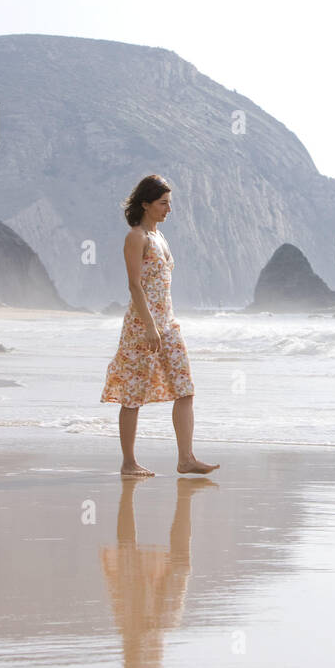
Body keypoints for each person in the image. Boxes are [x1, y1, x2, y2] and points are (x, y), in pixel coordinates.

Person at [100, 174, 218, 477]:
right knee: (132, 394)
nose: (169, 209)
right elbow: (134, 286)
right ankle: (128, 462)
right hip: (142, 326)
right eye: (163, 203)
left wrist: (163, 325)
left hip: (168, 324)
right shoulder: (136, 236)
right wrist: (150, 327)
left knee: (185, 389)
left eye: (169, 203)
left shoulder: (160, 237)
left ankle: (186, 458)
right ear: (146, 204)